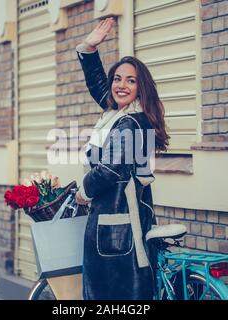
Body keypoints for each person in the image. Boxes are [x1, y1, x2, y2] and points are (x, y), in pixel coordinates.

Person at [74, 18, 170, 300]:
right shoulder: (119, 114)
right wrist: (90, 47)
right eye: (117, 78)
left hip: (118, 226)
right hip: (116, 220)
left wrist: (84, 190)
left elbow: (109, 169)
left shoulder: (130, 122)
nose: (121, 85)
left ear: (141, 88)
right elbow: (99, 88)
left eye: (131, 80)